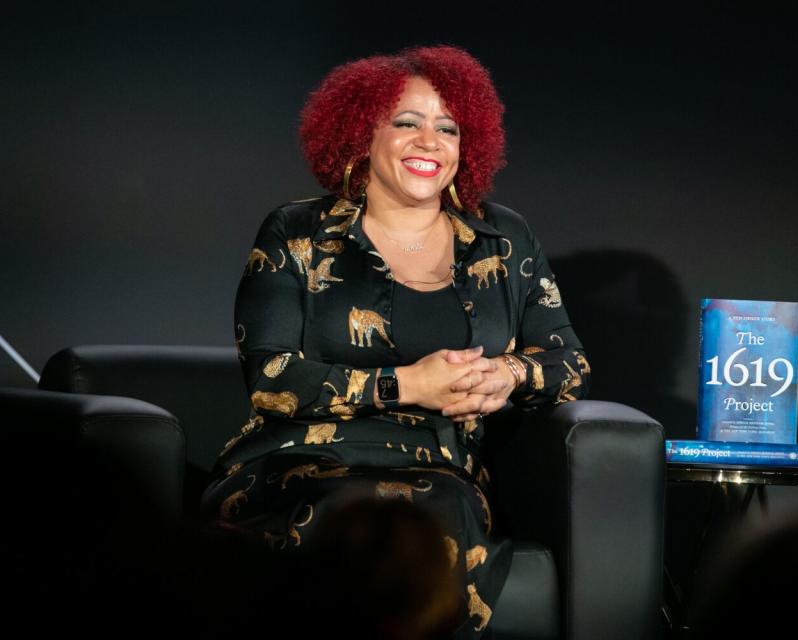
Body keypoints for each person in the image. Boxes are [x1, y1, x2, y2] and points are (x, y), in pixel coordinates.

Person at [199, 44, 591, 639]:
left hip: (441, 472)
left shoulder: (504, 239)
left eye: (447, 128)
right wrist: (409, 384)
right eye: (406, 122)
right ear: (360, 136)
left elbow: (570, 363)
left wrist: (507, 374)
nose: (429, 141)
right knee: (349, 520)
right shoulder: (296, 231)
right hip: (297, 461)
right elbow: (272, 379)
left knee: (433, 512)